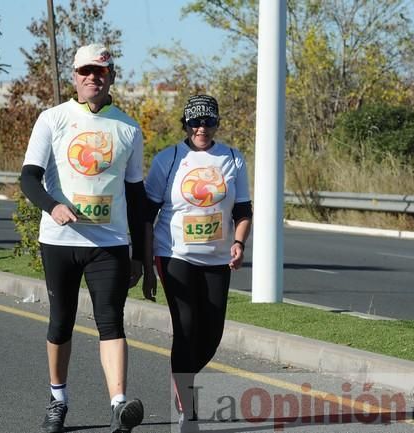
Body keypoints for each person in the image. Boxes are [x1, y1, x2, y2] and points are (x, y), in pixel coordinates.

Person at [20, 43, 146, 433]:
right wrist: (52, 206)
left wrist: (140, 254)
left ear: (111, 76)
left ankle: (119, 406)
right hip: (59, 241)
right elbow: (28, 177)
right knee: (61, 322)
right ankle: (58, 400)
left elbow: (137, 196)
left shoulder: (128, 128)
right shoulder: (53, 119)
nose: (93, 77)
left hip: (108, 245)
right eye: (85, 71)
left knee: (112, 322)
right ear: (74, 76)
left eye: (101, 71)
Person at [142, 95, 253, 432]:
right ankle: (187, 409)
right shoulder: (168, 159)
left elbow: (243, 211)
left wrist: (238, 242)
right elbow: (147, 215)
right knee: (186, 327)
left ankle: (182, 374)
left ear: (217, 123)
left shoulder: (233, 158)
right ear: (185, 125)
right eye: (194, 122)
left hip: (218, 257)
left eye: (207, 122)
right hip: (174, 253)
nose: (201, 128)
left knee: (212, 334)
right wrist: (147, 263)